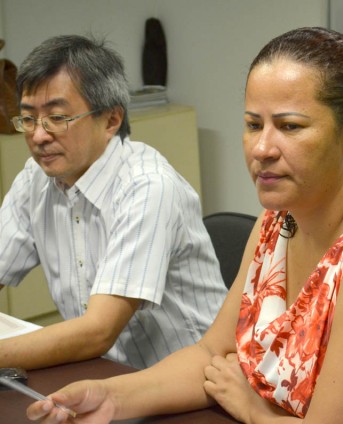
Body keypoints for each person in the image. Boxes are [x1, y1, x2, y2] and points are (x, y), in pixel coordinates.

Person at [27, 27, 343, 423]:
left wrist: (253, 408)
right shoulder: (278, 222)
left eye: (291, 126)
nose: (262, 148)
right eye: (253, 124)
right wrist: (108, 397)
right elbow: (208, 357)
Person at [0, 35, 227, 371]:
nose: (38, 136)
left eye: (57, 118)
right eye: (29, 119)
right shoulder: (37, 177)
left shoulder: (148, 187)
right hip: (100, 377)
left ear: (110, 120)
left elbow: (98, 332)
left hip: (193, 390)